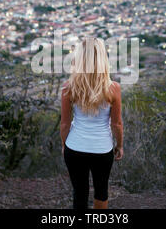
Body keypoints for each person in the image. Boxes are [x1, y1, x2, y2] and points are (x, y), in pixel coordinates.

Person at [60, 37, 124, 210]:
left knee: (79, 193)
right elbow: (116, 124)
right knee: (101, 191)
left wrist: (64, 145)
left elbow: (65, 124)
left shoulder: (68, 87)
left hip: (75, 148)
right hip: (102, 149)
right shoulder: (113, 88)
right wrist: (119, 146)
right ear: (103, 59)